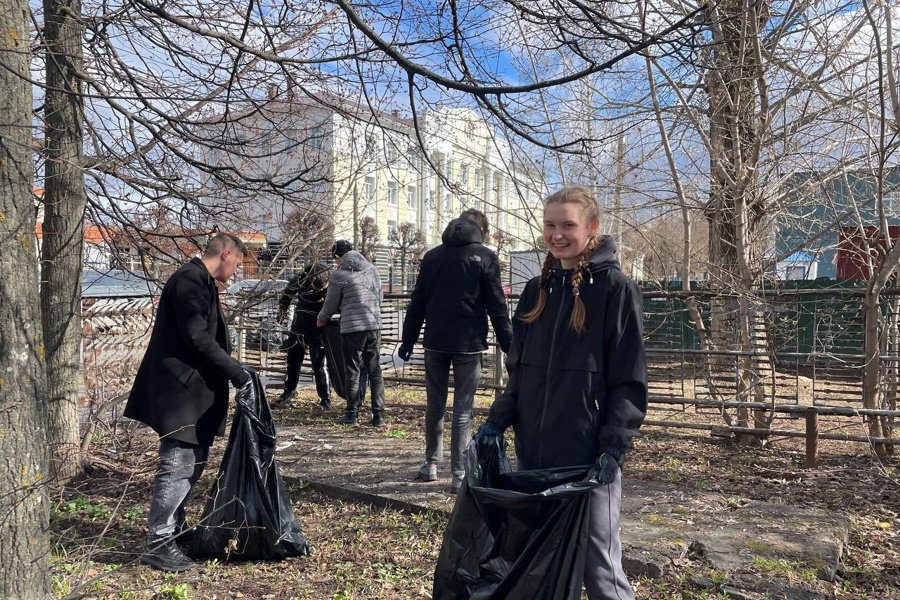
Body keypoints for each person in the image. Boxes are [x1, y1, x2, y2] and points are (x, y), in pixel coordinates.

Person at [475, 187, 647, 600]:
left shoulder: (616, 290)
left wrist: (612, 449)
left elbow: (629, 379)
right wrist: (497, 420)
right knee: (538, 561)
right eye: (550, 225)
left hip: (589, 457)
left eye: (568, 225)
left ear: (592, 229)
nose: (557, 234)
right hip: (533, 452)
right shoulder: (537, 290)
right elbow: (520, 371)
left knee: (599, 565)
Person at [124, 233, 255, 573]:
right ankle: (159, 543)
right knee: (178, 465)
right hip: (179, 393)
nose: (236, 272)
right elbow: (198, 337)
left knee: (191, 464)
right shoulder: (190, 280)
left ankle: (176, 531)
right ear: (226, 254)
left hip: (191, 393)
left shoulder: (201, 281)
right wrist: (237, 372)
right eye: (237, 264)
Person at [399, 209, 512, 494]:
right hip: (469, 343)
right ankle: (459, 475)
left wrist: (408, 340)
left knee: (434, 404)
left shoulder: (432, 257)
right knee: (463, 408)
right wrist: (511, 346)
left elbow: (417, 303)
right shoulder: (485, 257)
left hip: (434, 341)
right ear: (482, 231)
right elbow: (497, 305)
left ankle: (431, 464)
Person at [317, 240, 386, 427]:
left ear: (337, 256)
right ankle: (379, 415)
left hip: (352, 328)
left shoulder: (339, 275)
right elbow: (379, 297)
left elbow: (330, 304)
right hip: (374, 325)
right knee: (375, 371)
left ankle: (352, 414)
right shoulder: (372, 269)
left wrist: (321, 320)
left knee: (352, 370)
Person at [274, 261, 332, 409]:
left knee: (318, 364)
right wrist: (282, 309)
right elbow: (287, 293)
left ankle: (325, 397)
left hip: (319, 327)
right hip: (299, 324)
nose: (320, 290)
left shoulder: (333, 281)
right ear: (311, 280)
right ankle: (289, 390)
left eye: (323, 288)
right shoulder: (302, 278)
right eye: (317, 288)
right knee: (292, 361)